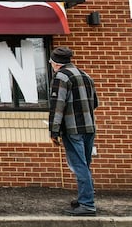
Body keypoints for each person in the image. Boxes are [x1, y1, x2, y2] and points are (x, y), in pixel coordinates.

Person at [48, 47, 99, 217]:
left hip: (72, 129)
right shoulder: (86, 76)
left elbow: (57, 106)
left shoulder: (61, 77)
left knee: (78, 165)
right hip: (89, 127)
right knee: (85, 164)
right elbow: (95, 103)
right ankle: (85, 197)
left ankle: (87, 204)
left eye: (51, 62)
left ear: (56, 63)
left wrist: (53, 131)